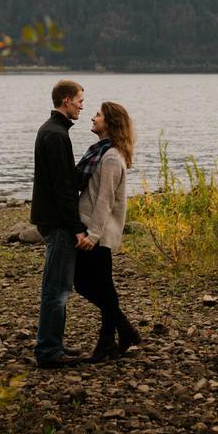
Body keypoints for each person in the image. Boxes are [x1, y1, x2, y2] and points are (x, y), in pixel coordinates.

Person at [73, 101, 142, 361]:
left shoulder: (111, 156)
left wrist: (92, 235)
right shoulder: (103, 151)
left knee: (83, 283)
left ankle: (123, 330)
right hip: (96, 230)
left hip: (97, 233)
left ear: (109, 122)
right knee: (103, 286)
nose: (93, 117)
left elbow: (105, 199)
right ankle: (109, 341)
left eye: (98, 115)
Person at [31, 79, 91, 369]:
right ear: (66, 100)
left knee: (58, 286)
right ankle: (48, 351)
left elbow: (66, 180)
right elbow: (63, 188)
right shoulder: (55, 135)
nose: (82, 105)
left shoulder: (54, 130)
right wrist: (76, 226)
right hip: (57, 222)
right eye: (80, 100)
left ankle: (53, 342)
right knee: (56, 289)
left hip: (51, 219)